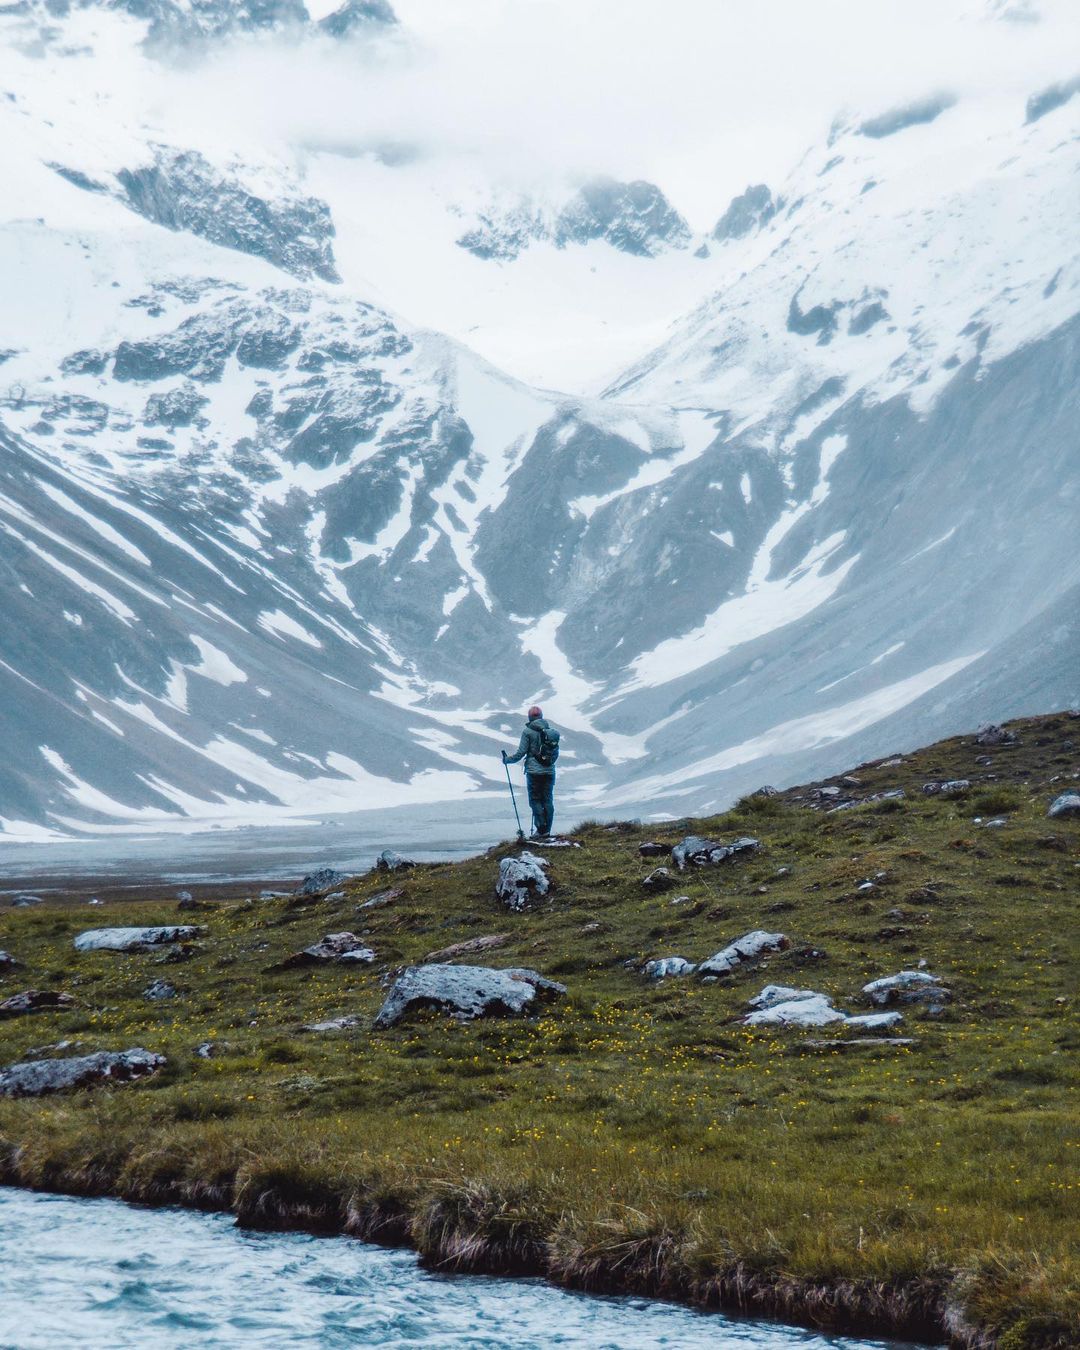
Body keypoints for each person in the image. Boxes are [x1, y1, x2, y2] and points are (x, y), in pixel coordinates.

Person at [503, 705, 560, 838]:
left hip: (534, 772)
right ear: (541, 716)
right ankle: (547, 830)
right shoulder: (551, 732)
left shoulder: (527, 732)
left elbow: (521, 753)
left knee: (535, 800)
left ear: (529, 717)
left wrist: (507, 760)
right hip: (550, 771)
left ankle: (540, 830)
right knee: (547, 800)